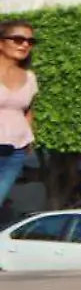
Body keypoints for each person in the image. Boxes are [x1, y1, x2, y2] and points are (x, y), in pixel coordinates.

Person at [0, 20, 34, 213]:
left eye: (30, 41)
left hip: (16, 150)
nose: (25, 45)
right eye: (18, 39)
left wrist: (29, 139)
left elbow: (28, 109)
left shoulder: (29, 77)